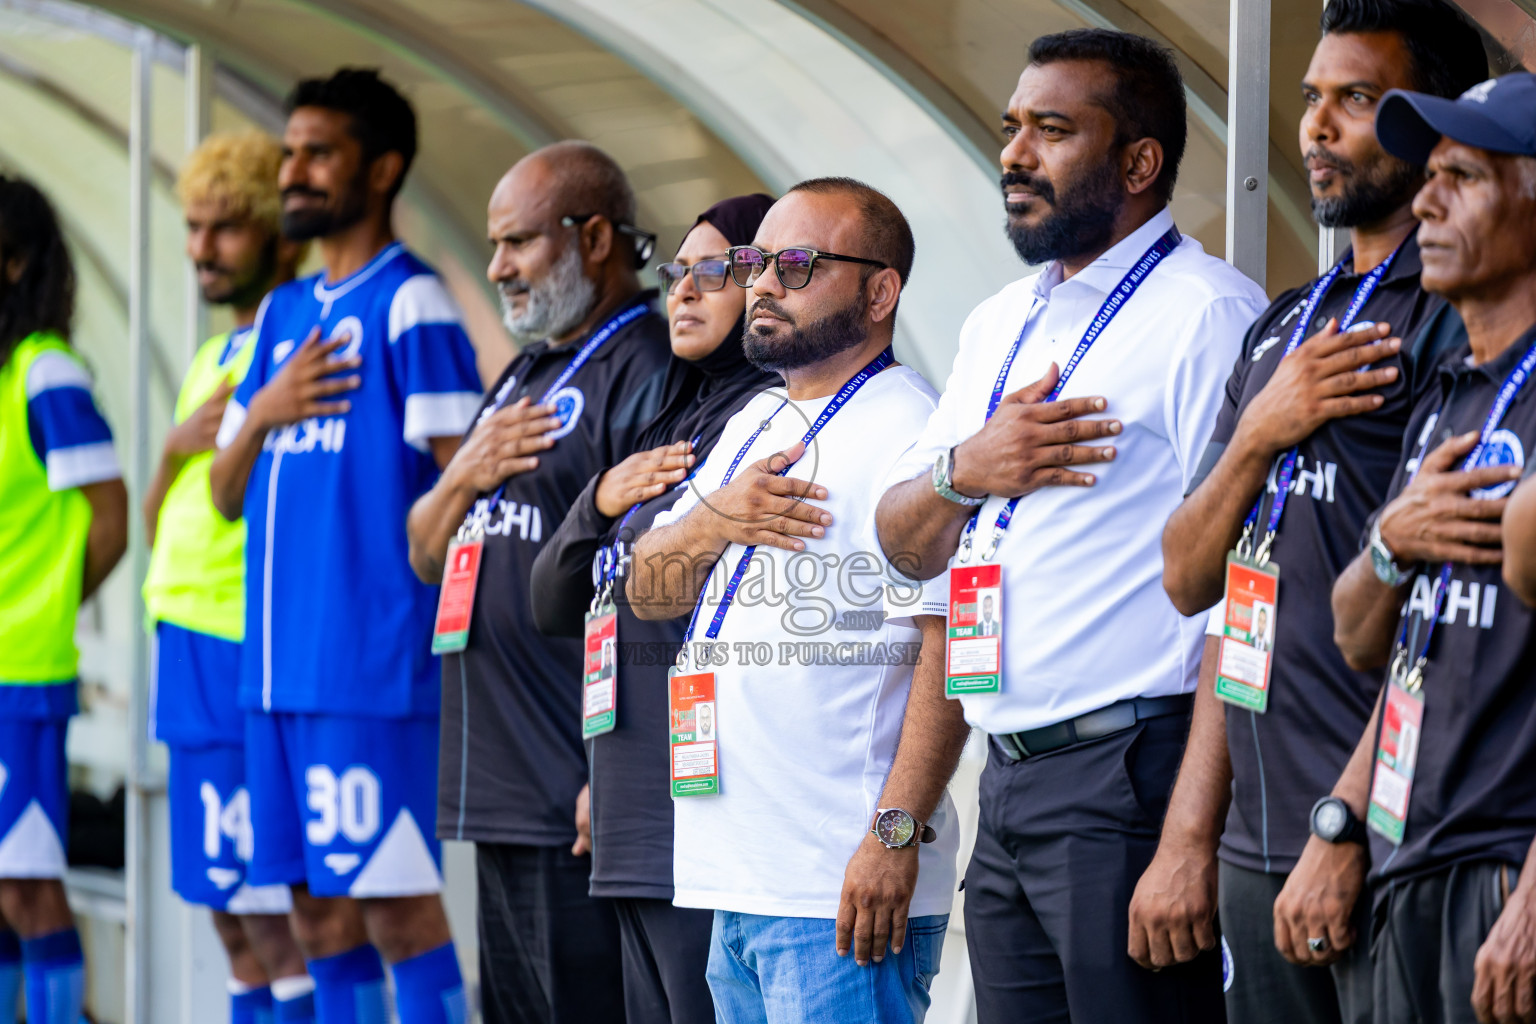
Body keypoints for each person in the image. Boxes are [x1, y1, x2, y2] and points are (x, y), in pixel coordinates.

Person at [873, 29, 1269, 1022]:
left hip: (1134, 780)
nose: (1015, 152)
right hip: (1006, 776)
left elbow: (1248, 589)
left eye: (1052, 129)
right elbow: (903, 539)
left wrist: (1187, 839)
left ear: (1139, 161)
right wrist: (968, 469)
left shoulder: (1205, 313)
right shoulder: (999, 319)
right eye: (1012, 128)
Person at [1129, 8, 1487, 1020]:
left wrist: (1348, 824)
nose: (1317, 128)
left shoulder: (1457, 311)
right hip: (1259, 839)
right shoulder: (1288, 320)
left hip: (1386, 834)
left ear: (1438, 128)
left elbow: (1439, 617)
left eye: (1358, 100)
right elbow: (1197, 578)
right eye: (1310, 100)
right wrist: (1193, 833)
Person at [627, 177, 965, 1024]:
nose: (765, 283)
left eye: (798, 263)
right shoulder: (756, 420)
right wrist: (715, 517)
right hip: (734, 876)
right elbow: (646, 590)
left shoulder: (910, 428)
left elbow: (948, 642)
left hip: (839, 890)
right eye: (757, 261)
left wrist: (895, 838)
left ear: (880, 290)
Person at [209, 68, 483, 1024]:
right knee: (314, 917)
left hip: (369, 675)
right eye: (289, 151)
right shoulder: (281, 317)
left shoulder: (413, 304)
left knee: (399, 912)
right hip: (271, 679)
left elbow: (470, 487)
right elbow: (221, 491)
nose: (293, 171)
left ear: (383, 169)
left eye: (317, 152)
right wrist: (263, 413)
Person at [405, 141, 672, 1024]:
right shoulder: (524, 371)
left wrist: (621, 766)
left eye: (518, 242)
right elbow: (424, 549)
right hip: (502, 790)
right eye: (492, 244)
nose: (497, 267)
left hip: (577, 793)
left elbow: (655, 582)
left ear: (593, 236)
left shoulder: (644, 365)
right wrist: (460, 475)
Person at [528, 193, 779, 1024]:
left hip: (705, 815)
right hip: (630, 809)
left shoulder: (770, 420)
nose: (683, 290)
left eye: (714, 272)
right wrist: (596, 500)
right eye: (677, 273)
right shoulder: (676, 421)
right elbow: (559, 601)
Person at [1320, 71, 1536, 1024]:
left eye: (1465, 177)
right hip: (1405, 857)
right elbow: (1365, 641)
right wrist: (1391, 545)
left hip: (1504, 869)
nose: (1426, 200)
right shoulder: (1451, 391)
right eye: (1428, 174)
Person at [142, 131, 316, 1024]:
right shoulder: (214, 357)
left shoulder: (296, 343)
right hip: (183, 645)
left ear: (279, 236)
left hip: (243, 644)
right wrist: (174, 450)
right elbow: (159, 517)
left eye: (225, 229)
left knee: (271, 913)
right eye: (193, 227)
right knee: (225, 914)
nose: (201, 249)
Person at [0, 175, 127, 1024]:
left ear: (12, 263)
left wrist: (48, 610)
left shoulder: (47, 371)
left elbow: (111, 515)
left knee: (26, 888)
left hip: (21, 674)